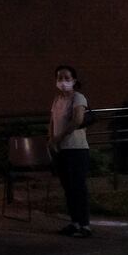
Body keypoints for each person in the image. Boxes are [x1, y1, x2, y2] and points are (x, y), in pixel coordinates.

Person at [49, 65, 92, 238]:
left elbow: (77, 120)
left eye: (67, 78)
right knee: (68, 187)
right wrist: (50, 139)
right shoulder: (57, 100)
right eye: (60, 78)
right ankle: (74, 222)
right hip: (62, 150)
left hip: (76, 148)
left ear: (74, 80)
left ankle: (85, 225)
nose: (63, 82)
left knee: (78, 187)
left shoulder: (78, 98)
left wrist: (58, 138)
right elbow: (52, 121)